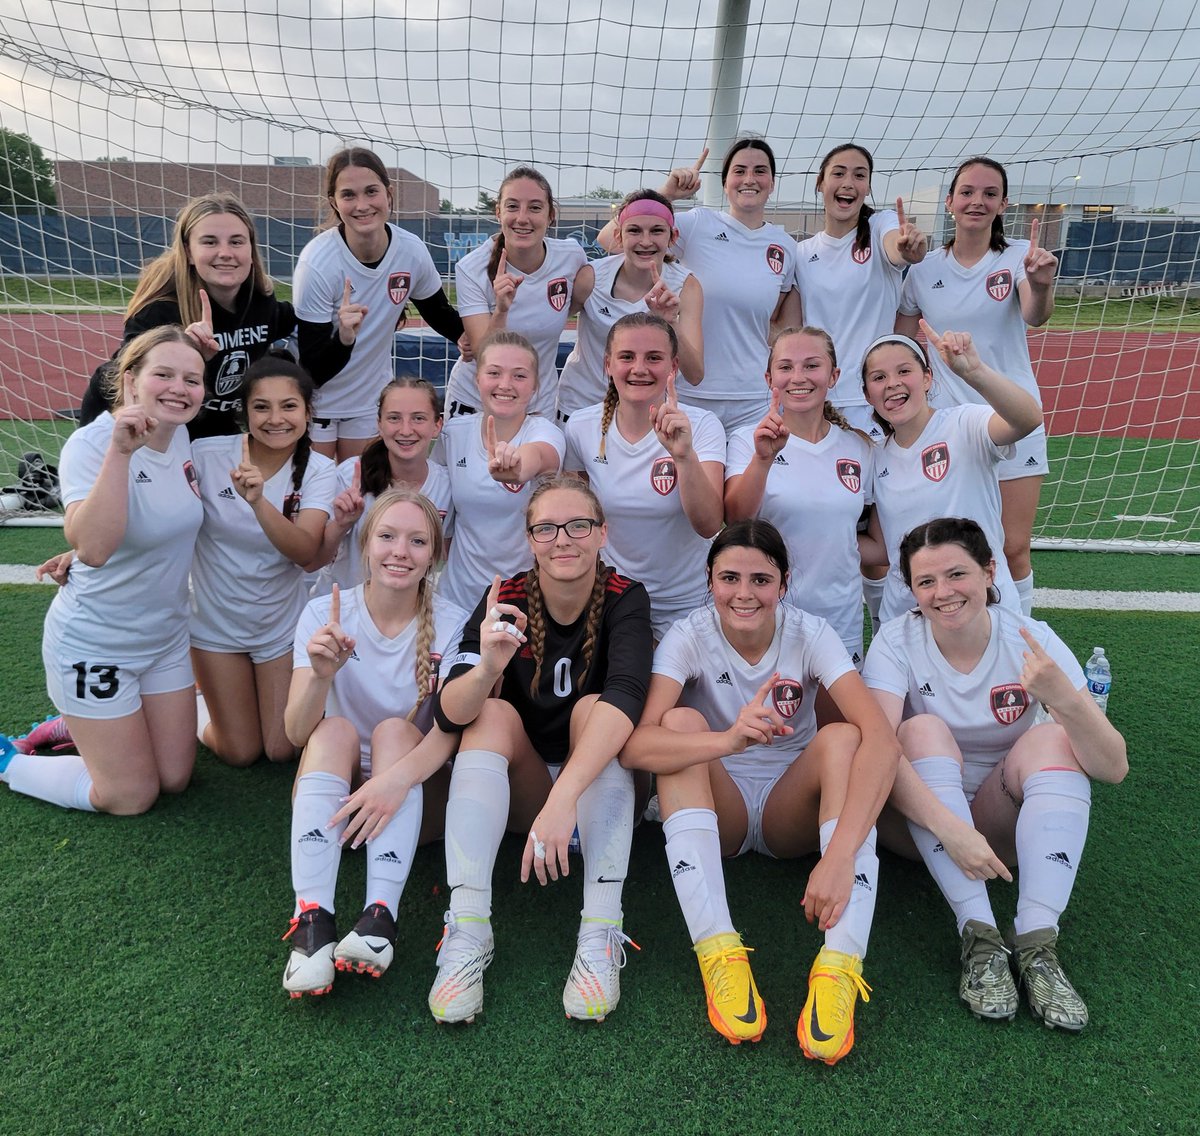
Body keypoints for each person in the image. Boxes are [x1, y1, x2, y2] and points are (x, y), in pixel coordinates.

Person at [621, 520, 900, 1063]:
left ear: (784, 583)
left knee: (844, 737)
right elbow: (637, 747)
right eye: (729, 578)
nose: (744, 594)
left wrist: (839, 855)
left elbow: (883, 742)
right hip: (719, 799)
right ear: (709, 580)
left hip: (786, 809)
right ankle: (719, 953)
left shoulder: (810, 633)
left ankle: (840, 968)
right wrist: (726, 740)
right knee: (679, 726)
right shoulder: (690, 634)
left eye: (760, 579)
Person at [863, 517, 1127, 1030]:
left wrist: (1065, 699)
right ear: (912, 590)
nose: (943, 593)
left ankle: (1036, 945)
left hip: (998, 821)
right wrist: (949, 828)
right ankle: (980, 938)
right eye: (925, 582)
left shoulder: (1032, 640)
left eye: (957, 574)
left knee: (1054, 737)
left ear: (989, 573)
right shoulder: (897, 641)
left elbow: (1112, 767)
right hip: (919, 823)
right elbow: (876, 752)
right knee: (917, 732)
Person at [427, 476, 653, 1024]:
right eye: (546, 528)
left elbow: (628, 698)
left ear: (602, 533)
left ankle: (600, 931)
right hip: (528, 799)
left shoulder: (627, 595)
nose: (563, 539)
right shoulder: (502, 596)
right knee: (491, 714)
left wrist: (562, 803)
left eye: (578, 525)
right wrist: (487, 667)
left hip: (594, 791)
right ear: (530, 539)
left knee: (594, 708)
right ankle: (468, 929)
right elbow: (448, 712)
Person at [1, 327, 205, 815]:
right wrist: (120, 451)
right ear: (131, 380)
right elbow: (93, 547)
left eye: (192, 379)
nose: (179, 388)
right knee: (131, 796)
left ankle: (79, 725)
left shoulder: (181, 436)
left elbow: (156, 522)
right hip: (97, 644)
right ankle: (9, 760)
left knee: (175, 779)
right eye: (164, 374)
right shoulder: (92, 445)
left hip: (165, 639)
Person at [280, 490, 467, 998]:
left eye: (417, 540)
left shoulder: (451, 623)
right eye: (386, 536)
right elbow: (297, 733)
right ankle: (312, 922)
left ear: (435, 554)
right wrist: (320, 676)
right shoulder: (324, 612)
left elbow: (450, 733)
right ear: (365, 545)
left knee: (393, 730)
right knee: (333, 729)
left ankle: (380, 917)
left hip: (410, 797)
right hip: (335, 802)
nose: (399, 551)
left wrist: (389, 782)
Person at [896, 157, 1059, 616]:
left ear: (1003, 203)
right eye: (967, 192)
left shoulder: (1019, 257)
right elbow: (903, 343)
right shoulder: (924, 271)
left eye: (989, 193)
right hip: (950, 428)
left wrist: (1043, 285)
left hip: (1012, 419)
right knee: (949, 543)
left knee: (1012, 547)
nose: (977, 201)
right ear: (950, 201)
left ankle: (1021, 635)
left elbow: (1035, 314)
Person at [189, 356, 336, 766]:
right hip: (214, 627)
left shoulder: (321, 470)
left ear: (308, 413)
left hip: (277, 627)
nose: (276, 418)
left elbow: (306, 552)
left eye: (289, 406)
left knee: (280, 748)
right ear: (244, 412)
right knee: (240, 752)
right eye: (261, 406)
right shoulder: (205, 454)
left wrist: (258, 503)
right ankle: (191, 708)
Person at [604, 140, 796, 433]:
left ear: (772, 183)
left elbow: (775, 320)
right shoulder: (697, 224)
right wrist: (666, 193)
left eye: (760, 171)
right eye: (739, 170)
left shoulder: (785, 247)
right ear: (724, 182)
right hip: (690, 395)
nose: (749, 179)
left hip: (753, 398)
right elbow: (611, 239)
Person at [861, 323, 1042, 625]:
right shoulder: (874, 456)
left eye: (904, 371)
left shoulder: (964, 424)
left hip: (982, 610)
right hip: (906, 618)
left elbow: (1027, 418)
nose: (892, 383)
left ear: (928, 378)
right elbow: (882, 548)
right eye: (879, 377)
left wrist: (975, 371)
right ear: (868, 395)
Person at [293, 147, 464, 461]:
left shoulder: (411, 251)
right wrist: (345, 337)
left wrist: (490, 329)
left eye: (371, 191)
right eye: (348, 195)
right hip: (317, 403)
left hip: (369, 404)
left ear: (389, 193)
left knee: (363, 498)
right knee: (315, 501)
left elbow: (442, 316)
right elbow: (313, 370)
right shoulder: (317, 264)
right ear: (334, 202)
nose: (362, 205)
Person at [80, 192, 297, 438]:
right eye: (210, 242)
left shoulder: (260, 302)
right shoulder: (160, 313)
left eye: (236, 242)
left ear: (251, 248)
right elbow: (128, 379)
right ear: (189, 252)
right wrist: (183, 353)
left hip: (212, 424)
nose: (225, 252)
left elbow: (302, 319)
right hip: (147, 427)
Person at [564, 313, 724, 638]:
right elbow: (578, 519)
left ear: (673, 366)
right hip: (615, 601)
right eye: (627, 357)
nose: (639, 368)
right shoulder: (581, 427)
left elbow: (709, 524)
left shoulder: (702, 425)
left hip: (689, 604)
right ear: (608, 365)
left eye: (653, 358)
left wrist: (683, 455)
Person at [725, 326, 877, 669]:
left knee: (837, 722)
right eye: (785, 367)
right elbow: (735, 519)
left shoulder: (860, 447)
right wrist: (763, 459)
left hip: (840, 617)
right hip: (768, 614)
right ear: (769, 377)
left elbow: (871, 540)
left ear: (833, 375)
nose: (798, 377)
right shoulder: (746, 439)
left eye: (812, 365)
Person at [791, 143, 927, 435]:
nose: (848, 184)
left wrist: (908, 248)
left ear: (867, 187)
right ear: (820, 183)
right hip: (818, 400)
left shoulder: (880, 227)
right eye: (839, 173)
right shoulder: (800, 254)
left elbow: (897, 248)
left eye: (859, 175)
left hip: (874, 400)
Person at [443, 166, 588, 419]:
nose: (522, 218)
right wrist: (501, 310)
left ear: (551, 215)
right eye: (512, 206)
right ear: (498, 212)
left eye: (534, 207)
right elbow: (481, 353)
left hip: (537, 402)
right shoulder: (471, 268)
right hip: (478, 401)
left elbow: (572, 304)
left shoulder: (571, 257)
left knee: (537, 460)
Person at [437, 331, 564, 610]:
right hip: (457, 599)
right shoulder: (454, 434)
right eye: (494, 373)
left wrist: (517, 466)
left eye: (519, 376)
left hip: (522, 601)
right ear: (477, 380)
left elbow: (541, 456)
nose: (505, 384)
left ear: (535, 387)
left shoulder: (545, 432)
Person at [557, 189, 704, 417]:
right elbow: (549, 323)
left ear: (672, 237)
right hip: (580, 408)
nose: (646, 242)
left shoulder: (686, 286)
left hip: (644, 416)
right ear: (619, 236)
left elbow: (695, 375)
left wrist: (670, 323)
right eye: (634, 231)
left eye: (656, 231)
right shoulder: (592, 277)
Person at [313, 378, 452, 594]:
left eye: (418, 418)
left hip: (406, 612)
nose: (406, 430)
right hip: (343, 609)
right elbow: (315, 560)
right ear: (379, 424)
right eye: (394, 418)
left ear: (437, 425)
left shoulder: (447, 486)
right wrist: (341, 524)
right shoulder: (350, 476)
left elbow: (449, 557)